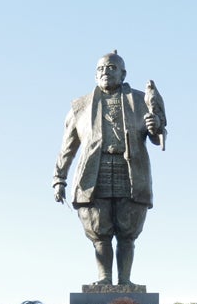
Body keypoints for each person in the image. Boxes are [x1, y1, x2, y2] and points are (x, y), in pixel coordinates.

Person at [54, 51, 166, 286]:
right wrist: (59, 178)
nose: (106, 72)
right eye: (101, 69)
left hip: (130, 170)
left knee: (128, 231)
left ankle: (125, 281)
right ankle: (104, 279)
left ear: (123, 73)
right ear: (95, 75)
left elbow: (157, 136)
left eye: (112, 68)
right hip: (94, 172)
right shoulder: (80, 106)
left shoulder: (139, 100)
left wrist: (156, 125)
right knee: (99, 229)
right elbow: (68, 146)